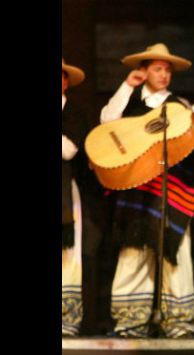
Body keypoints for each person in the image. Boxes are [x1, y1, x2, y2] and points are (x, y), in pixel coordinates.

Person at [98, 43, 194, 338]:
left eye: (168, 70)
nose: (164, 74)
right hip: (138, 188)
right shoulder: (130, 103)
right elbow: (107, 122)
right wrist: (127, 85)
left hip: (172, 189)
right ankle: (131, 322)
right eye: (157, 68)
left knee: (175, 251)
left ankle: (178, 322)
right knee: (134, 249)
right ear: (144, 71)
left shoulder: (180, 106)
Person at [62, 58, 87, 336]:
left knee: (67, 256)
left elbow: (68, 149)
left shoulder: (74, 114)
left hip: (65, 193)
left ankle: (66, 318)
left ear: (65, 81)